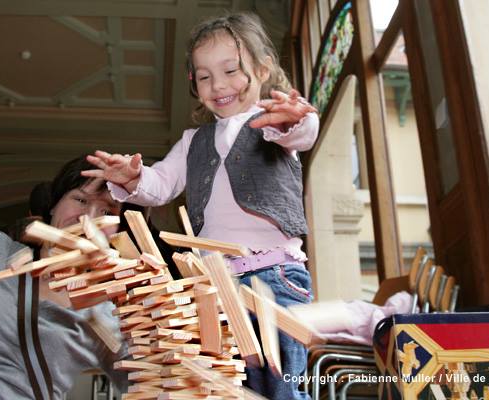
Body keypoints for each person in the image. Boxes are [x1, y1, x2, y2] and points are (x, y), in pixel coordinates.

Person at [83, 12, 319, 399]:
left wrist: (295, 119)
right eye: (205, 76)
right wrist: (131, 177)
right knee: (225, 386)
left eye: (231, 71)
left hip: (274, 277)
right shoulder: (194, 141)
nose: (219, 85)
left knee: (280, 387)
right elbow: (160, 185)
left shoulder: (275, 123)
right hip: (210, 286)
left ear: (263, 69)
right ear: (194, 83)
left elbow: (302, 133)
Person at [0, 156, 130, 400]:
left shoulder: (106, 314)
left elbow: (152, 385)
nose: (88, 218)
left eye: (107, 211)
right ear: (54, 204)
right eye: (80, 199)